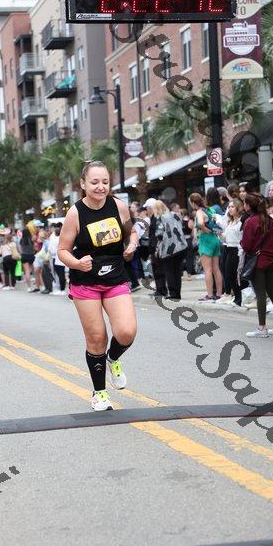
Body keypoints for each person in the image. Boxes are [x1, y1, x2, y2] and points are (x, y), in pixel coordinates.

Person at [58, 161, 137, 412]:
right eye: (94, 182)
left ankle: (113, 359)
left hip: (115, 277)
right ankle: (99, 393)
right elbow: (62, 250)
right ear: (83, 184)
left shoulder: (118, 206)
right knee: (96, 338)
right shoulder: (75, 213)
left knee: (126, 332)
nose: (100, 187)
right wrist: (77, 263)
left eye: (105, 182)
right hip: (86, 282)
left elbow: (131, 232)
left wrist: (131, 245)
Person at [240, 193, 273, 337]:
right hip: (271, 260)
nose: (244, 205)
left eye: (245, 203)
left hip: (258, 261)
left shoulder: (250, 222)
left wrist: (242, 243)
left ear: (249, 206)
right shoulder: (269, 219)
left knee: (260, 294)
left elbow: (246, 245)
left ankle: (262, 328)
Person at [189, 192, 223, 301]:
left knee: (207, 270)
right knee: (216, 269)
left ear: (193, 203)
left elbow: (200, 223)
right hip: (215, 239)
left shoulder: (199, 211)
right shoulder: (209, 210)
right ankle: (219, 293)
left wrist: (203, 229)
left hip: (206, 240)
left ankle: (210, 294)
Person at [153, 200, 188, 301]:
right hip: (180, 246)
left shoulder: (160, 218)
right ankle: (177, 293)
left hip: (168, 248)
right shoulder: (175, 214)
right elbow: (182, 226)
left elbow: (159, 234)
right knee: (177, 271)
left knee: (169, 271)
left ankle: (173, 293)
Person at [216, 199, 243, 307]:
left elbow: (242, 237)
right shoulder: (230, 222)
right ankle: (237, 297)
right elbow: (226, 238)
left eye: (232, 207)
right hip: (228, 248)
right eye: (229, 207)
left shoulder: (241, 221)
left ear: (238, 208)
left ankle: (238, 298)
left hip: (237, 249)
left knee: (233, 275)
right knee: (228, 274)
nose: (230, 209)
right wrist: (219, 234)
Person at [146, 197, 167, 297]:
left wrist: (155, 247)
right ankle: (160, 289)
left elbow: (158, 234)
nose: (147, 210)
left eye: (148, 208)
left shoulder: (156, 218)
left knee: (158, 268)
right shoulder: (154, 218)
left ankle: (161, 289)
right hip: (155, 246)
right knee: (157, 268)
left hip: (156, 247)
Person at [181, 209, 195, 278]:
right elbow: (192, 233)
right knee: (189, 257)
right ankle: (189, 272)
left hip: (181, 241)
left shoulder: (180, 221)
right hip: (188, 240)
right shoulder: (190, 221)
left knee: (181, 257)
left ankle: (181, 273)